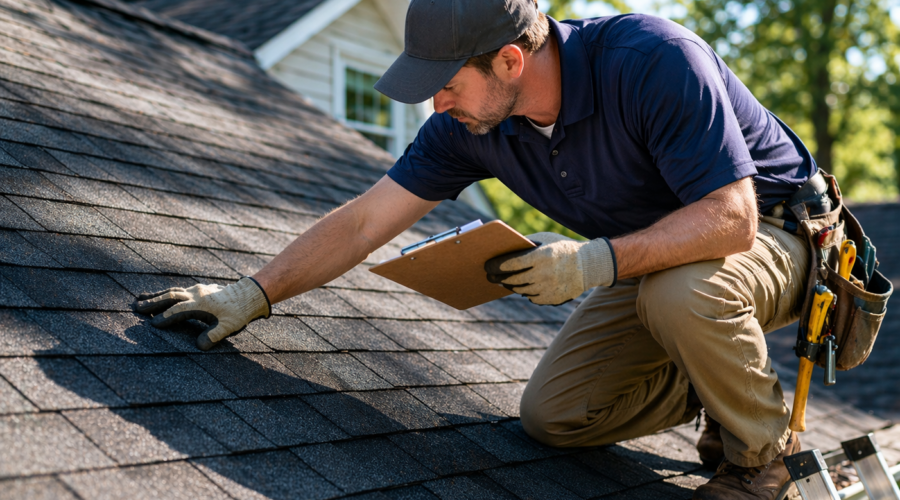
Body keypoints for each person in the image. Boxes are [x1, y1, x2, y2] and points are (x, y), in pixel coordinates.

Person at [134, 1, 819, 498]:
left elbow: (731, 221)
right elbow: (365, 222)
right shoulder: (467, 126)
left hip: (781, 236)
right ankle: (716, 382)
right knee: (555, 418)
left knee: (684, 292)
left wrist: (590, 263)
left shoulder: (654, 61)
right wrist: (254, 292)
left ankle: (763, 458)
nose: (437, 102)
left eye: (448, 83)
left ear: (511, 58)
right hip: (659, 263)